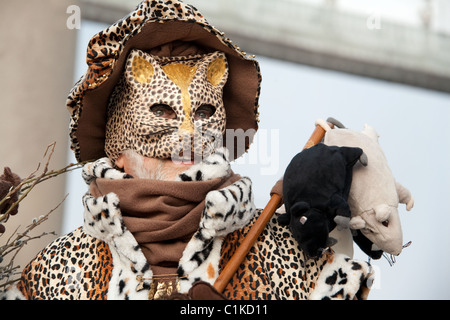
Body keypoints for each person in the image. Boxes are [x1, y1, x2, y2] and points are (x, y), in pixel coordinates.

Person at [1, 0, 373, 300]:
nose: (186, 135)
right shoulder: (55, 275)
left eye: (203, 113)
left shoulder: (288, 255)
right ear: (118, 152)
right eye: (161, 111)